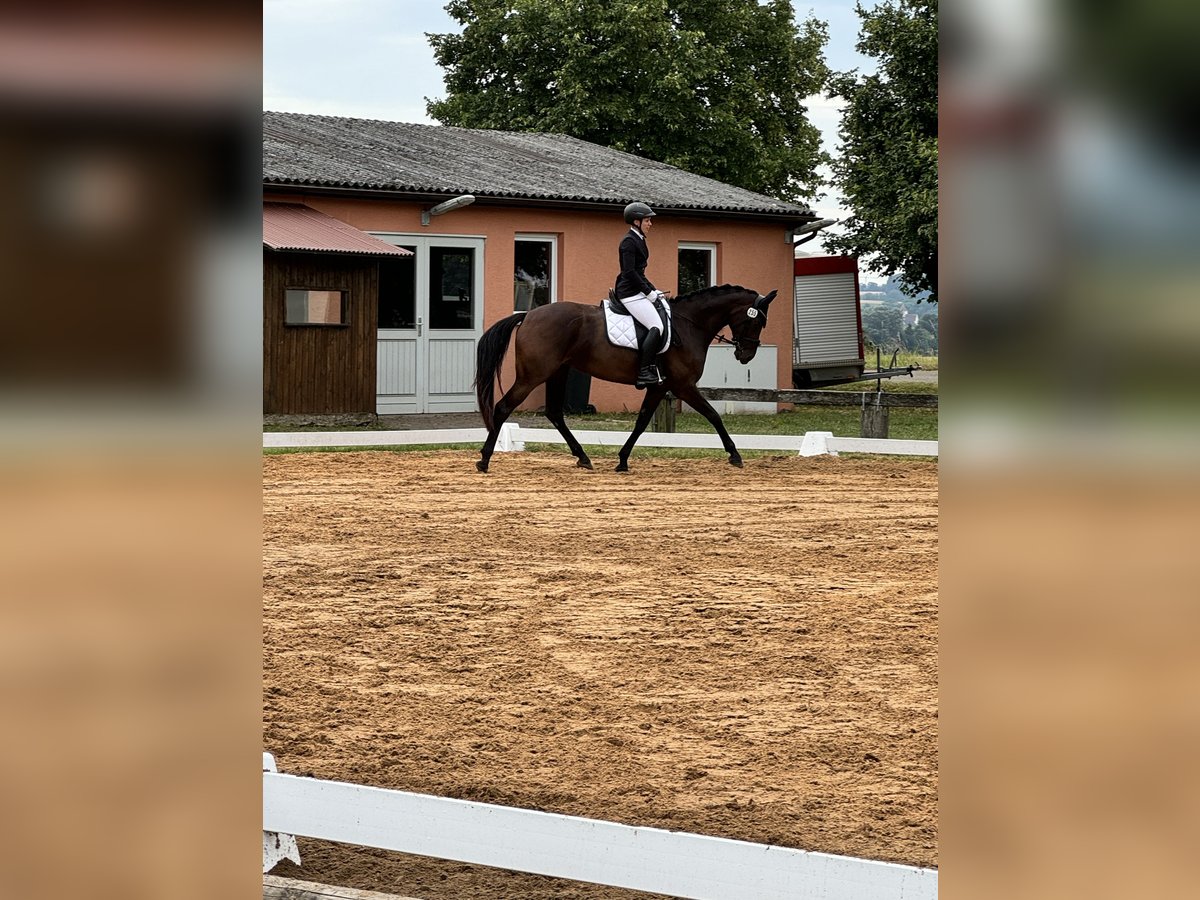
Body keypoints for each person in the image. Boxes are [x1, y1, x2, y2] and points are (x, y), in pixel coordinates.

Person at [614, 201, 667, 388]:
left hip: (637, 290)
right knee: (656, 326)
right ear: (636, 222)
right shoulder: (629, 242)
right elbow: (629, 273)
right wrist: (648, 293)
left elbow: (640, 273)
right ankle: (644, 371)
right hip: (629, 293)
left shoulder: (640, 239)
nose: (650, 224)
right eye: (647, 220)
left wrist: (654, 290)